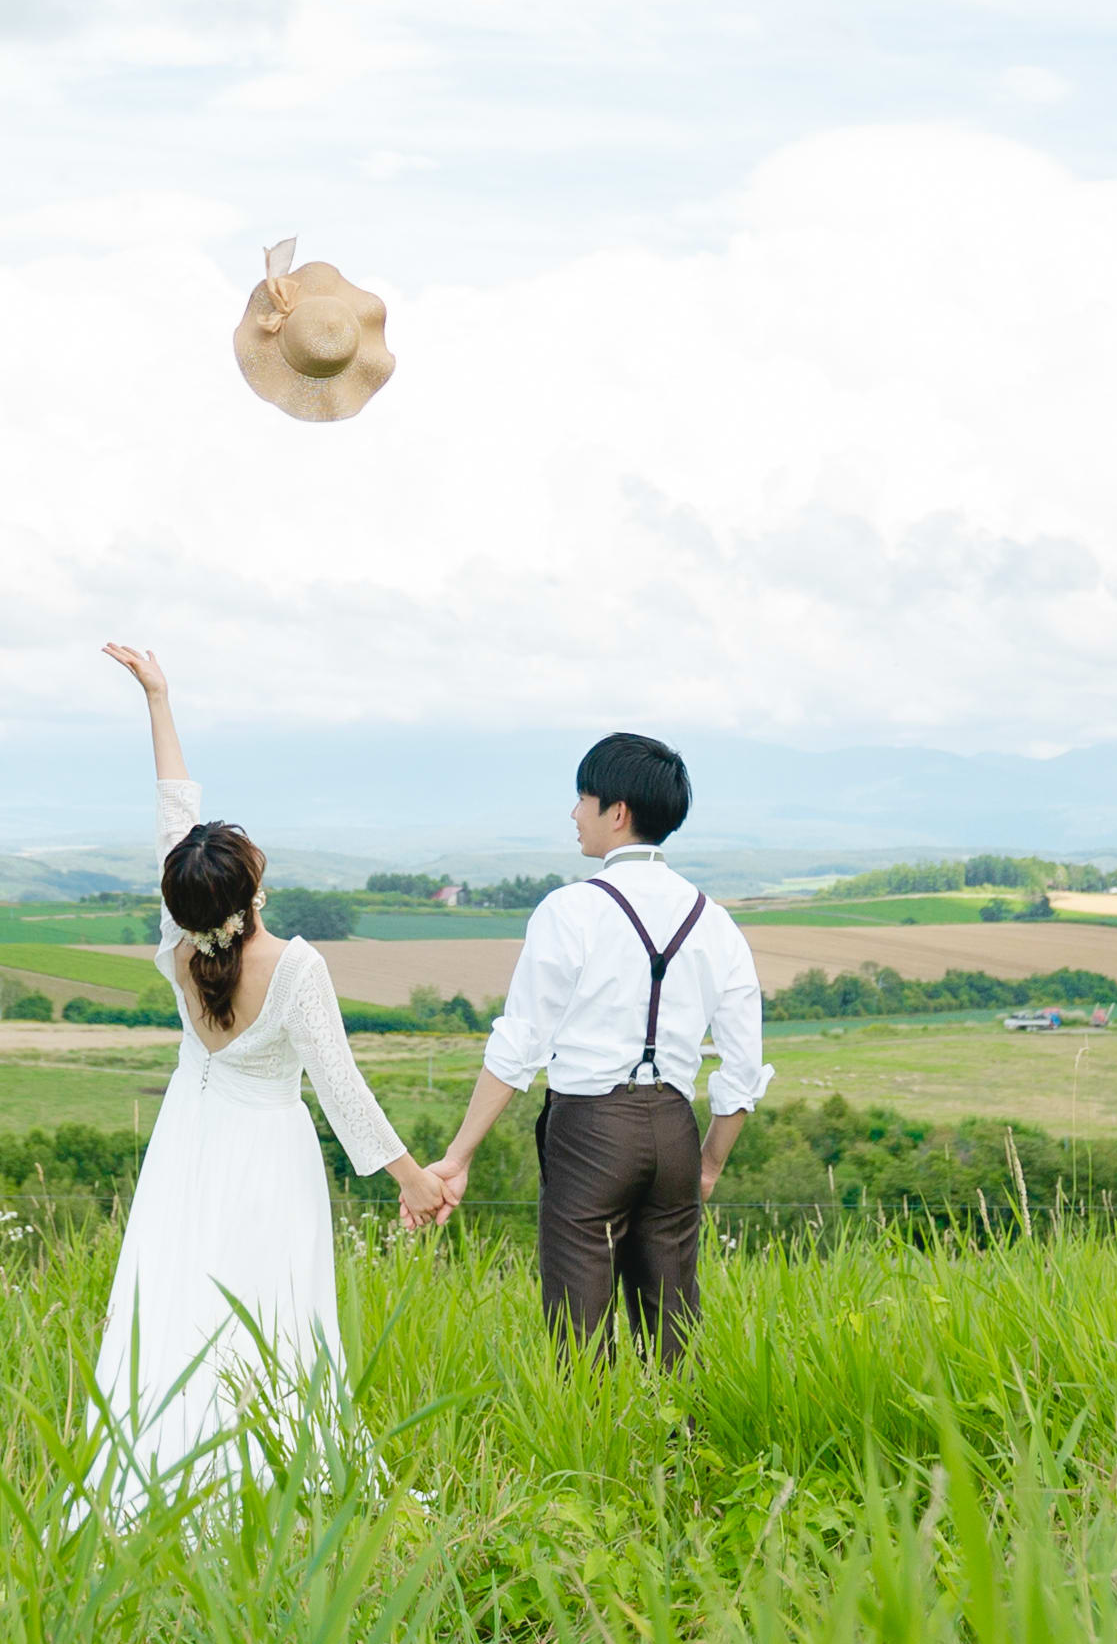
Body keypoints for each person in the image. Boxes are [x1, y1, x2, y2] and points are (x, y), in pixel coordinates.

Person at [81, 641, 437, 1514]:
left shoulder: (177, 938)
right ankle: (271, 1475)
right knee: (272, 1304)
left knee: (177, 1296)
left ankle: (162, 1467)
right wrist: (415, 1181)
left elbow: (173, 813)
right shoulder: (296, 967)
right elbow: (343, 1091)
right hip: (268, 1154)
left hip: (186, 1137)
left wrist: (158, 699)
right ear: (251, 891)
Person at [418, 729, 767, 1355]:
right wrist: (709, 1164)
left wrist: (459, 1156)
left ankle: (590, 1422)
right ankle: (681, 1424)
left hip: (590, 1130)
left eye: (583, 798)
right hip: (675, 1128)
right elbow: (742, 1069)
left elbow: (519, 1045)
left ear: (617, 811)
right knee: (674, 1331)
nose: (574, 813)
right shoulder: (715, 921)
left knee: (580, 1337)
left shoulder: (569, 909)